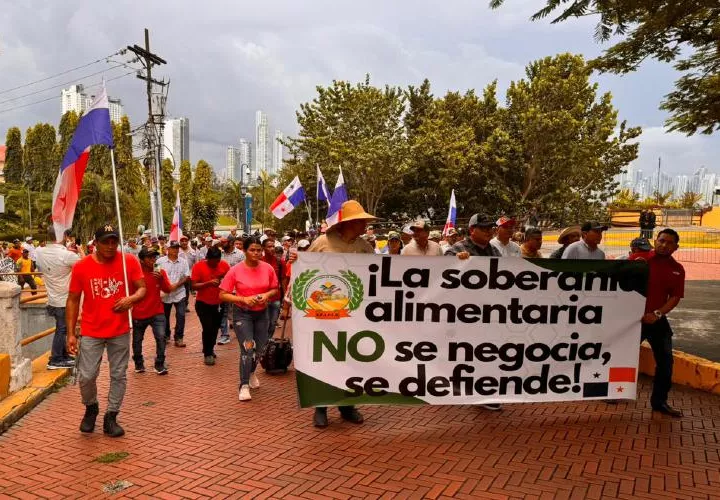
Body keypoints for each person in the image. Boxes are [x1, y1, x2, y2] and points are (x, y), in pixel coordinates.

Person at [66, 224, 146, 437]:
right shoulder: (82, 266)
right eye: (105, 242)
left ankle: (111, 415)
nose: (111, 246)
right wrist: (71, 333)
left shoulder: (128, 261)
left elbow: (142, 288)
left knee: (118, 374)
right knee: (86, 376)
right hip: (91, 330)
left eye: (114, 241)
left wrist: (131, 299)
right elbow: (73, 300)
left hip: (119, 329)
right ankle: (91, 406)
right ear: (96, 243)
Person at [307, 200, 376, 427]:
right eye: (361, 221)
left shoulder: (365, 247)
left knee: (350, 360)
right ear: (349, 222)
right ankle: (321, 407)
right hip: (324, 314)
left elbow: (379, 274)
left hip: (355, 314)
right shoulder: (322, 242)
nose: (365, 225)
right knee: (324, 359)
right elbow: (305, 270)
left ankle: (347, 406)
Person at [631, 229, 685, 417]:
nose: (664, 245)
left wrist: (657, 314)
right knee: (620, 357)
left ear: (676, 247)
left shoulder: (677, 269)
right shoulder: (638, 260)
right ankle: (612, 392)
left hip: (656, 320)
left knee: (666, 362)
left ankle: (659, 402)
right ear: (655, 241)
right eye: (661, 240)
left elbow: (675, 297)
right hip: (632, 321)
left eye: (669, 243)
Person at [219, 236, 279, 401]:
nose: (256, 253)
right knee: (248, 348)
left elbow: (274, 289)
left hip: (262, 313)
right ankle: (244, 385)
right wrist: (243, 299)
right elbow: (222, 294)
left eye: (259, 250)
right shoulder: (235, 270)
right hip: (242, 314)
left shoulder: (267, 268)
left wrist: (266, 295)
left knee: (260, 349)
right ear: (244, 251)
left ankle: (251, 372)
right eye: (252, 250)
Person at [35, 226, 81, 370]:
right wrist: (80, 251)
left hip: (52, 298)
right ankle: (55, 359)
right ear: (64, 236)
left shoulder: (39, 252)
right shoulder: (67, 255)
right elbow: (85, 265)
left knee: (62, 328)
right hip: (64, 300)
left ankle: (63, 355)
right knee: (62, 329)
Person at [132, 247, 172, 375]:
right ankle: (139, 363)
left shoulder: (160, 272)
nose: (153, 260)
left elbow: (168, 289)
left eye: (154, 257)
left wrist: (161, 279)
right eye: (149, 257)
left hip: (157, 311)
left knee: (161, 337)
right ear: (142, 260)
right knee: (137, 341)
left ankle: (159, 364)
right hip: (139, 313)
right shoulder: (135, 273)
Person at [191, 247, 230, 365]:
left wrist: (223, 279)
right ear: (207, 258)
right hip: (203, 303)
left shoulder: (224, 265)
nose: (215, 264)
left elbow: (230, 280)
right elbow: (194, 286)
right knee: (207, 328)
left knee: (215, 328)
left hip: (219, 303)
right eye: (213, 261)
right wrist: (208, 283)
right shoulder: (198, 266)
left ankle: (210, 348)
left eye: (217, 261)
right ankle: (207, 354)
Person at [217, 237, 246, 345]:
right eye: (221, 242)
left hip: (237, 288)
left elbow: (244, 270)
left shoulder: (240, 254)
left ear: (231, 243)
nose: (222, 243)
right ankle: (224, 335)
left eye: (224, 242)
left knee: (238, 312)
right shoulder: (220, 254)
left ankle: (242, 333)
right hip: (224, 288)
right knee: (223, 312)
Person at [261, 237, 285, 337]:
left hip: (276, 298)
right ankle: (262, 342)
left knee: (272, 323)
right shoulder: (259, 261)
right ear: (263, 248)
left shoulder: (280, 262)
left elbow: (283, 280)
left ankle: (267, 341)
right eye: (269, 246)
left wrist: (285, 297)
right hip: (263, 298)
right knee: (263, 323)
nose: (272, 248)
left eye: (273, 246)